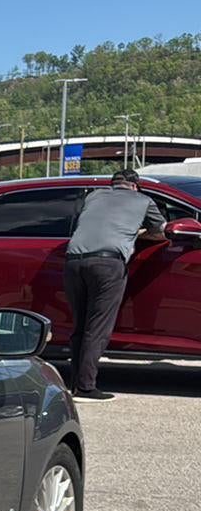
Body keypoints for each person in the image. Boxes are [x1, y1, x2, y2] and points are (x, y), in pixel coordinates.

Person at [63, 168, 166, 401]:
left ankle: (75, 384)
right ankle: (86, 387)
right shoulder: (143, 200)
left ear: (113, 184)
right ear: (135, 186)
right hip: (107, 264)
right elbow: (161, 231)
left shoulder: (94, 195)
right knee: (97, 327)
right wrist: (136, 233)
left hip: (73, 262)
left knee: (80, 326)